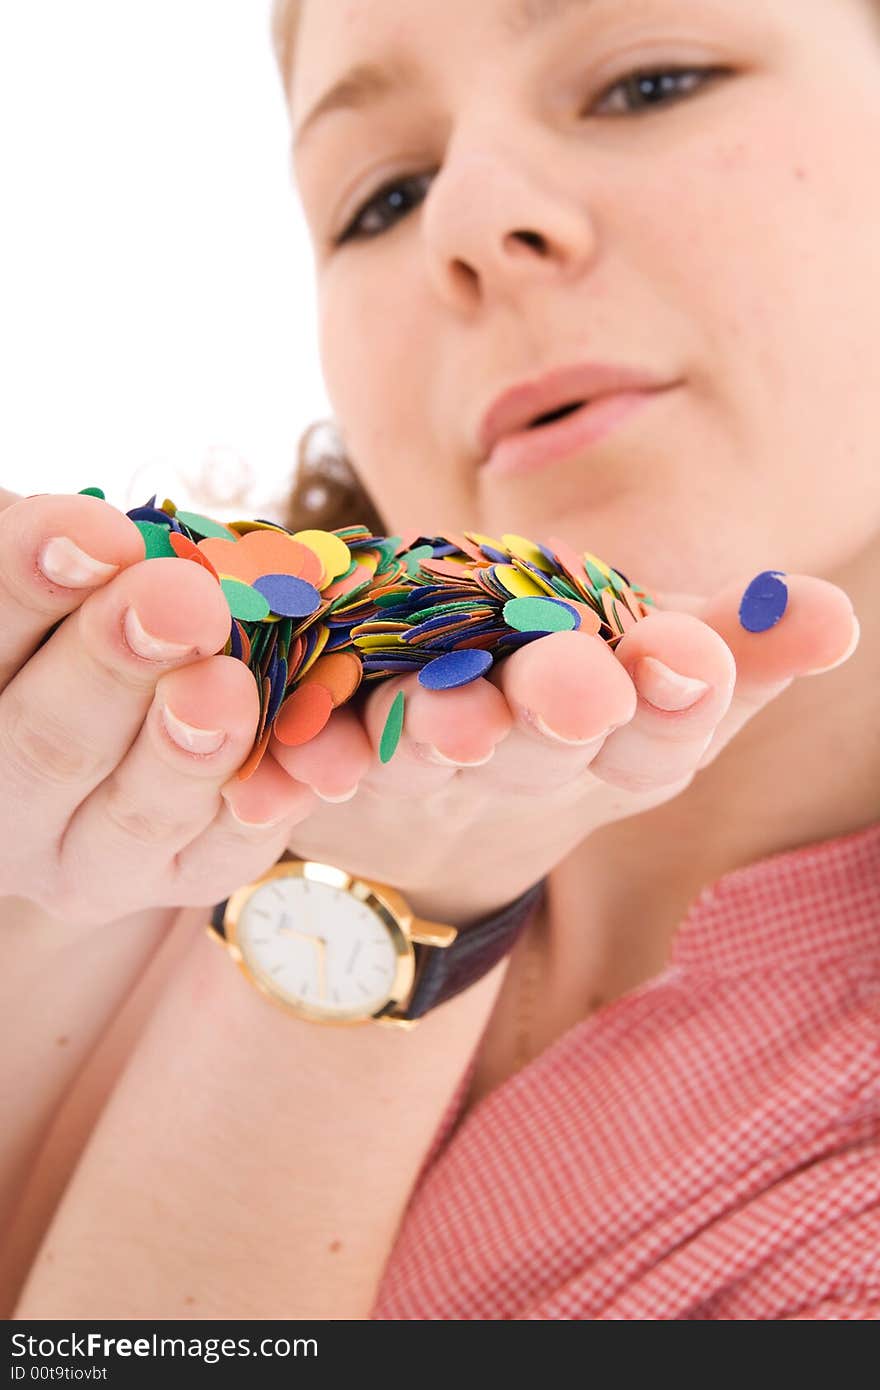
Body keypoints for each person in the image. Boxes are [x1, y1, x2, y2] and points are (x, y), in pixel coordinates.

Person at [2, 0, 878, 1320]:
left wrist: (385, 918)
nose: (463, 224)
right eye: (382, 195)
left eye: (650, 83)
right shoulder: (177, 756)